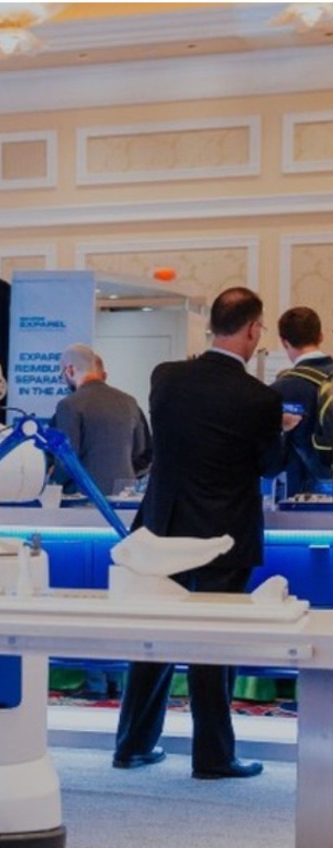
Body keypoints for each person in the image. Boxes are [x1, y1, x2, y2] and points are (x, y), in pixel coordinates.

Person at [113, 287, 297, 780]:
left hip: (163, 529)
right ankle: (213, 756)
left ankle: (132, 745)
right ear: (254, 330)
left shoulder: (165, 378)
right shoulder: (261, 399)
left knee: (152, 642)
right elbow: (268, 465)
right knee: (213, 647)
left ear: (213, 325)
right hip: (223, 535)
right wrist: (282, 430)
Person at [52, 343, 152, 497]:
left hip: (83, 497)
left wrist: (53, 482)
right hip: (125, 495)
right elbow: (140, 450)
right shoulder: (129, 401)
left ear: (70, 370)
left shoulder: (69, 405)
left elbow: (66, 459)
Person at [271, 306, 333, 497]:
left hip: (304, 497)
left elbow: (272, 459)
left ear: (284, 341)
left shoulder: (280, 390)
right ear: (321, 336)